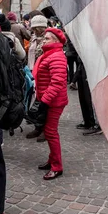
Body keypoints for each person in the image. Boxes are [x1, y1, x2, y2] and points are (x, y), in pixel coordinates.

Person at [33, 28, 68, 180]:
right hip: (49, 100)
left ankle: (57, 166)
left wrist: (44, 102)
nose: (44, 40)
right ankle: (52, 160)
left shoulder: (56, 56)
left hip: (54, 102)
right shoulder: (50, 54)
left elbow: (57, 82)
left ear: (55, 41)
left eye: (47, 38)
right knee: (49, 132)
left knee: (51, 133)